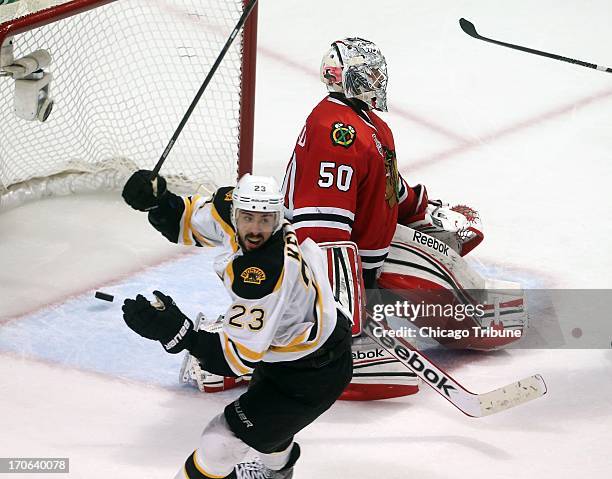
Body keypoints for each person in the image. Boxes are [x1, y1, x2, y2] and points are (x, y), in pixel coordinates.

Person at [281, 37, 514, 399]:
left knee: (494, 323)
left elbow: (388, 188)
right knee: (482, 323)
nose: (377, 79)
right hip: (339, 267)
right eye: (368, 73)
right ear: (347, 78)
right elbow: (321, 230)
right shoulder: (335, 133)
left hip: (373, 258)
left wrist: (427, 215)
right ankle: (262, 355)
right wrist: (347, 317)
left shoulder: (369, 124)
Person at [121, 172, 353, 479]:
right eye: (248, 218)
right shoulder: (232, 209)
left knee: (218, 443)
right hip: (290, 346)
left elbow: (234, 360)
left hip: (313, 376)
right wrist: (158, 202)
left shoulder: (265, 274)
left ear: (278, 218)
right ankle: (278, 473)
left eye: (265, 220)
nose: (255, 230)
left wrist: (178, 333)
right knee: (267, 428)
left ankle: (276, 471)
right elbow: (187, 220)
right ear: (235, 211)